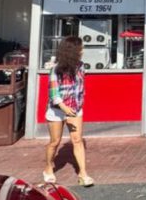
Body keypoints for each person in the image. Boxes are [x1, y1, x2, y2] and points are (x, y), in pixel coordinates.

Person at [43, 36, 94, 187]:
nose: (83, 50)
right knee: (54, 142)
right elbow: (53, 93)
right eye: (81, 48)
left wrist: (78, 104)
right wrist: (64, 107)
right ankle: (48, 167)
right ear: (72, 51)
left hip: (75, 108)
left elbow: (81, 87)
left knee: (77, 140)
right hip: (57, 110)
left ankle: (83, 174)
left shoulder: (81, 66)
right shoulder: (56, 69)